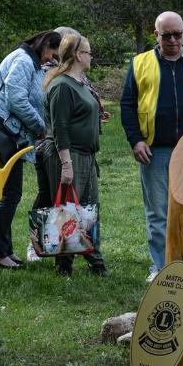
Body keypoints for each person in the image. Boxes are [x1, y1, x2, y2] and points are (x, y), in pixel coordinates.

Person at [120, 11, 183, 282]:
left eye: (177, 34)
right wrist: (136, 139)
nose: (172, 40)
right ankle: (160, 267)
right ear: (155, 35)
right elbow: (127, 104)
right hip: (155, 150)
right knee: (158, 211)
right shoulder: (140, 63)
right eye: (166, 35)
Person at [0, 30, 61, 269]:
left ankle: (4, 250)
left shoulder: (30, 62)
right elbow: (16, 100)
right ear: (46, 44)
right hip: (3, 136)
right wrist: (40, 127)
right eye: (52, 53)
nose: (51, 59)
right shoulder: (23, 60)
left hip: (11, 137)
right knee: (10, 195)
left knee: (10, 194)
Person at [35, 33, 108, 277]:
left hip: (86, 154)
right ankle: (63, 264)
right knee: (66, 210)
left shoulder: (80, 82)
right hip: (68, 154)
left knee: (88, 209)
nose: (91, 56)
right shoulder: (61, 86)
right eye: (88, 52)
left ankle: (95, 260)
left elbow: (79, 114)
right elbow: (60, 128)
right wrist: (66, 165)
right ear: (77, 55)